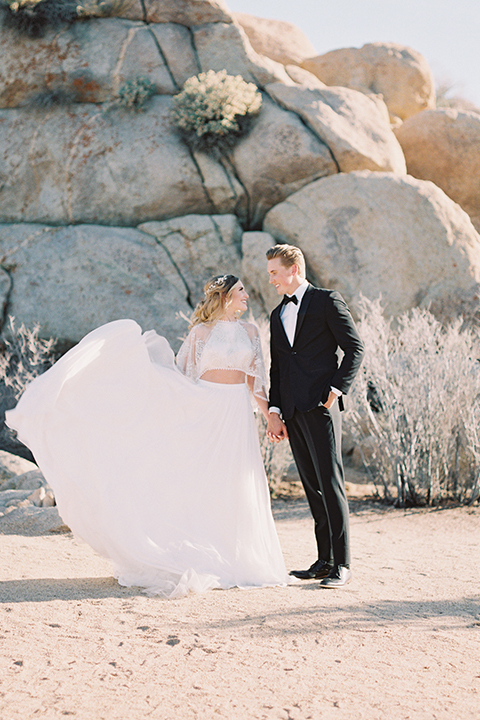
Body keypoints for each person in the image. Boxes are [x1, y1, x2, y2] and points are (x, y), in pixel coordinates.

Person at [6, 275, 289, 598]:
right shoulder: (200, 333)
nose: (247, 295)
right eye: (241, 291)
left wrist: (271, 416)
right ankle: (204, 550)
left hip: (237, 413)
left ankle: (240, 558)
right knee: (203, 482)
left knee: (237, 482)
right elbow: (183, 377)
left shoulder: (250, 332)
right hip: (204, 411)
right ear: (224, 297)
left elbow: (257, 382)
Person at [266, 245, 364, 588]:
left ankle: (343, 564)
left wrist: (336, 390)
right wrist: (276, 411)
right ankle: (324, 561)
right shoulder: (276, 315)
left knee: (331, 483)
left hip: (323, 407)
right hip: (293, 411)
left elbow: (355, 347)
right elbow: (278, 368)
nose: (271, 280)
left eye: (275, 272)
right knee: (312, 487)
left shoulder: (326, 301)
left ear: (293, 269)